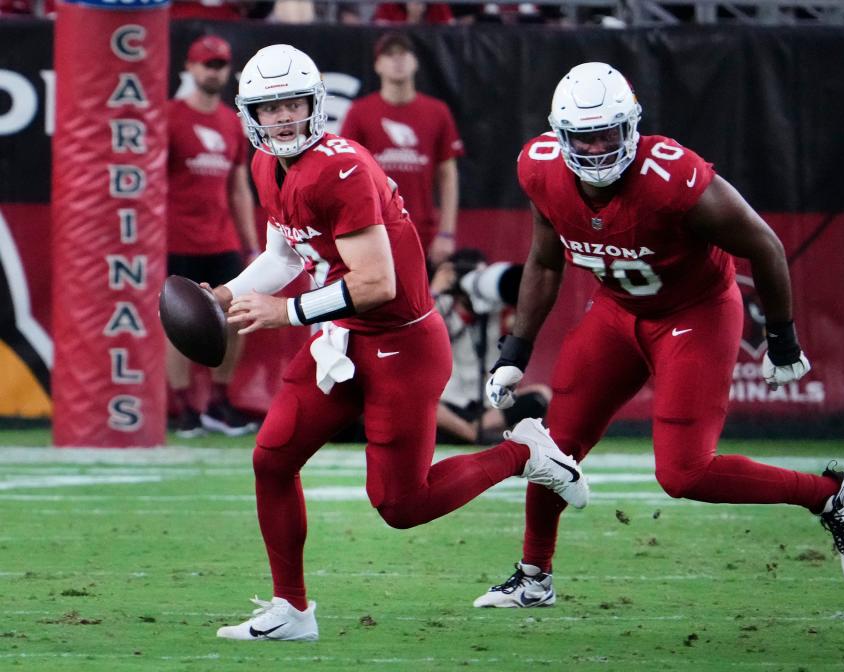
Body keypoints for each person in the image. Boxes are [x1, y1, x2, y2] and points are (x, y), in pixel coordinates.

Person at [208, 44, 588, 641]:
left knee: (400, 505)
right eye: (269, 106)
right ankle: (292, 610)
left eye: (292, 103)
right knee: (271, 458)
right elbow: (284, 255)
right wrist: (225, 295)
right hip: (341, 337)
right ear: (249, 112)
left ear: (316, 103)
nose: (282, 117)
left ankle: (524, 453)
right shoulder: (265, 165)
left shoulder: (341, 168)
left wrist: (289, 312)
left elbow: (377, 283)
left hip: (399, 344)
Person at [474, 62, 844, 608]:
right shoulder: (540, 168)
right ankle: (533, 576)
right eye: (582, 137)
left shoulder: (672, 177)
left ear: (631, 127)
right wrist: (515, 351)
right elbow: (545, 262)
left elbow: (764, 245)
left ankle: (835, 495)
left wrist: (782, 337)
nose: (595, 150)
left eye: (606, 135)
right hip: (618, 311)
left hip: (695, 314)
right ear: (558, 136)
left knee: (684, 472)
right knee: (552, 446)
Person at [166, 34, 260, 438]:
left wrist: (251, 244)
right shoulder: (169, 116)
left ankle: (219, 402)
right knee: (177, 323)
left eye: (220, 64)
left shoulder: (230, 123)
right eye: (206, 64)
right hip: (177, 239)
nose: (213, 71)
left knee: (236, 316)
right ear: (189, 68)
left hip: (221, 239)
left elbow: (239, 187)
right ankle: (185, 407)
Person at [339, 32, 464, 268]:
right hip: (374, 230)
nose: (397, 60)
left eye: (403, 53)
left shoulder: (437, 112)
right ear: (377, 65)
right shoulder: (360, 112)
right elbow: (345, 176)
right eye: (389, 54)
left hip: (422, 232)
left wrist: (446, 233)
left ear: (415, 61)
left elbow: (448, 176)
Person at [431, 249, 551, 444]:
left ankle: (465, 432)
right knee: (419, 403)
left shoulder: (496, 307)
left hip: (487, 406)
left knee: (541, 395)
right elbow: (418, 330)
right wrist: (435, 290)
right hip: (447, 402)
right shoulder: (441, 305)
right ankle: (471, 434)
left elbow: (522, 301)